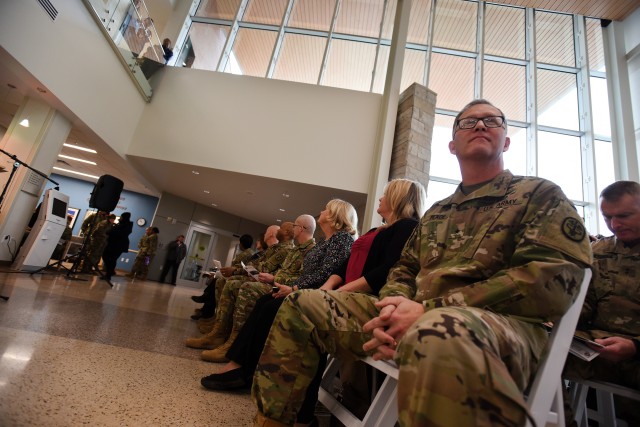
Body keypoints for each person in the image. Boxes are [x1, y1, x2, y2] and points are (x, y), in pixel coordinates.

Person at [250, 99, 593, 427]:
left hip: (496, 329)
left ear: (505, 141)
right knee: (302, 304)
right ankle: (279, 421)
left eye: (492, 120)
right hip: (414, 317)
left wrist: (429, 309)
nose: (480, 125)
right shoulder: (438, 211)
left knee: (439, 330)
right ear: (452, 145)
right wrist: (390, 307)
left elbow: (552, 278)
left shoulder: (539, 195)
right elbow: (404, 268)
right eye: (468, 122)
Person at [204, 180, 425, 425]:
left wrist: (334, 291)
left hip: (364, 297)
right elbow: (343, 266)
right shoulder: (379, 230)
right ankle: (265, 387)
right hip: (345, 292)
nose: (380, 198)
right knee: (274, 303)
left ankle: (288, 406)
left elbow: (385, 271)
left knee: (292, 308)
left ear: (397, 199)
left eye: (385, 194)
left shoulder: (408, 227)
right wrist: (327, 289)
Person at [564, 180, 640, 424]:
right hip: (598, 348)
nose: (614, 225)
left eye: (624, 216)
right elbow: (583, 307)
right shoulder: (598, 252)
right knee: (533, 350)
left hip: (636, 353)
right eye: (607, 218)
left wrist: (635, 346)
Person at [184, 223, 296, 361]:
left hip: (271, 284)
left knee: (237, 284)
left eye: (282, 228)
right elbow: (256, 265)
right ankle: (219, 329)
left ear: (288, 232)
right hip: (263, 279)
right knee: (227, 280)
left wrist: (236, 270)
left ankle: (232, 340)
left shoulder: (285, 250)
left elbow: (263, 267)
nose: (279, 230)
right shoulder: (277, 248)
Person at [101, 212, 133, 281]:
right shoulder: (122, 224)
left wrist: (113, 229)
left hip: (117, 245)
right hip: (114, 244)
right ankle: (110, 272)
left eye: (121, 217)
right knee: (107, 257)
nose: (120, 218)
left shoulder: (126, 225)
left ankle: (109, 274)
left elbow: (117, 232)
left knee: (111, 259)